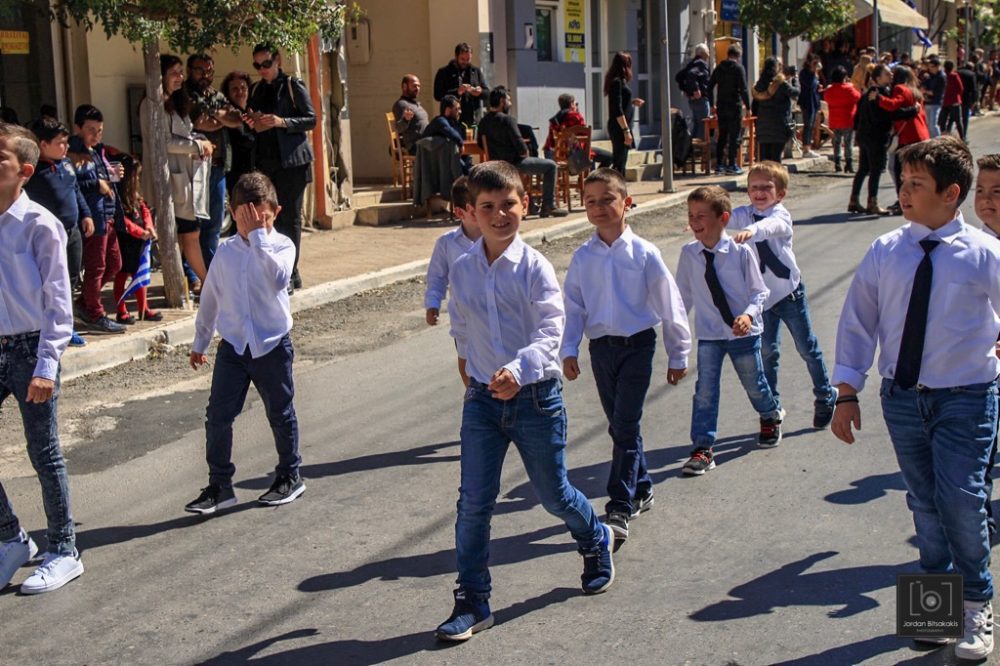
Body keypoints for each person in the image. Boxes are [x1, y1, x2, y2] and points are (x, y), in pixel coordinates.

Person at [832, 136, 999, 661]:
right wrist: (846, 392)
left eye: (917, 184)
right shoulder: (886, 250)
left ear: (951, 194)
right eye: (902, 182)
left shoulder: (984, 253)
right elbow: (859, 321)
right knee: (924, 502)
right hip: (903, 398)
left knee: (962, 499)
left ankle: (977, 603)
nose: (903, 193)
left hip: (967, 397)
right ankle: (933, 612)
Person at [436, 161, 614, 642]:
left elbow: (552, 330)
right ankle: (472, 600)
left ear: (525, 205)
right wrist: (470, 374)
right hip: (482, 401)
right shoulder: (462, 268)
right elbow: (461, 326)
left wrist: (519, 370)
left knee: (554, 495)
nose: (499, 215)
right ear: (471, 212)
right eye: (487, 207)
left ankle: (594, 536)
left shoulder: (534, 267)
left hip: (535, 398)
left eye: (507, 205)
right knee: (474, 503)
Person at [561, 168, 691, 543]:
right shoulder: (583, 257)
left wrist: (679, 353)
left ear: (627, 203)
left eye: (607, 200)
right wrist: (568, 349)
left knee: (626, 425)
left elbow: (670, 304)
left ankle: (619, 504)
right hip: (602, 349)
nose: (599, 208)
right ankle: (643, 486)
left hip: (637, 346)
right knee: (619, 426)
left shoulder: (644, 253)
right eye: (590, 201)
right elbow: (574, 307)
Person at [185, 171, 303, 514]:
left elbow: (279, 279)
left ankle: (289, 475)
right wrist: (201, 340)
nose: (250, 226)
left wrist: (260, 237)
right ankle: (220, 485)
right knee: (218, 416)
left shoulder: (282, 246)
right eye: (243, 218)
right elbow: (211, 297)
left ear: (275, 213)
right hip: (234, 347)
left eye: (260, 218)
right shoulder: (226, 252)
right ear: (232, 214)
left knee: (280, 413)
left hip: (271, 345)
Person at [0, 122, 83, 594]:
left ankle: (64, 550)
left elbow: (58, 303)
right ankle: (11, 537)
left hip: (31, 348)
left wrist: (46, 365)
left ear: (24, 171)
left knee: (43, 452)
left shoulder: (40, 225)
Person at [675, 186, 782, 475]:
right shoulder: (689, 254)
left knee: (754, 384)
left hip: (743, 334)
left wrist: (748, 315)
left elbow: (759, 292)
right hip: (710, 334)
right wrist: (674, 331)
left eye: (701, 216)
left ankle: (770, 414)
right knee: (705, 391)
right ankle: (703, 447)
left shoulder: (741, 253)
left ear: (722, 218)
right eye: (691, 215)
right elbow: (681, 298)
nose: (694, 221)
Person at [727, 162, 836, 429]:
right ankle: (772, 409)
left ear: (781, 193)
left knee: (807, 347)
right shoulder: (745, 214)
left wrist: (752, 231)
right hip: (761, 299)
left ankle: (825, 395)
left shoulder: (780, 215)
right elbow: (723, 217)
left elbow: (771, 227)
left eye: (767, 187)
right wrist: (703, 220)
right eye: (754, 187)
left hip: (789, 294)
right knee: (767, 353)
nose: (759, 192)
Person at [247, 43, 316, 293]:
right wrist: (252, 121)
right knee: (269, 218)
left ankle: (291, 272)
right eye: (257, 65)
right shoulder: (256, 89)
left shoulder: (292, 85)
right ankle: (275, 270)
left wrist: (282, 122)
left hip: (292, 163)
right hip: (266, 162)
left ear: (277, 60)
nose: (262, 69)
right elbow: (253, 120)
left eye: (266, 64)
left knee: (290, 218)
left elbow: (311, 119)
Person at [140, 55, 212, 293]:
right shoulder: (152, 105)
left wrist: (199, 143)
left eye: (181, 72)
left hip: (184, 180)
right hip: (170, 183)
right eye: (174, 73)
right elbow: (163, 142)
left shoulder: (176, 102)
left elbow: (184, 136)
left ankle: (197, 282)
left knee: (188, 235)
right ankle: (205, 284)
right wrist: (198, 146)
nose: (180, 77)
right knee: (183, 235)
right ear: (160, 76)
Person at [24, 116, 93, 347]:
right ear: (43, 144)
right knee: (48, 283)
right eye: (60, 143)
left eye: (66, 141)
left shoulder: (66, 164)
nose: (66, 147)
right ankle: (45, 328)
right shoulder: (32, 173)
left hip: (72, 232)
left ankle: (66, 327)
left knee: (70, 279)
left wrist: (86, 214)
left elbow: (76, 190)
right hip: (47, 236)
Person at [68, 104, 127, 333]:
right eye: (91, 129)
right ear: (78, 128)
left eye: (99, 130)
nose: (96, 134)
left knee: (114, 264)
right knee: (96, 267)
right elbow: (74, 182)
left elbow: (101, 177)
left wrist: (113, 175)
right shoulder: (73, 151)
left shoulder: (97, 150)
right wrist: (97, 183)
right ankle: (94, 313)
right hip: (93, 216)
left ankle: (85, 302)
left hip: (108, 214)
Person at [186, 54, 244, 268]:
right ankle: (192, 272)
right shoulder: (184, 94)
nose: (205, 75)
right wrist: (221, 118)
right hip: (195, 167)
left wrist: (213, 113)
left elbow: (236, 119)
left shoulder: (215, 95)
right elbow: (201, 123)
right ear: (190, 70)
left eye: (209, 71)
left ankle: (210, 269)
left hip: (218, 166)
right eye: (200, 70)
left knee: (214, 223)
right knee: (193, 224)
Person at [477, 86, 568, 217]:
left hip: (494, 165)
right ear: (502, 101)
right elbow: (521, 148)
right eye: (508, 100)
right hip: (514, 164)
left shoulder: (483, 122)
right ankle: (549, 205)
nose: (510, 103)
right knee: (551, 166)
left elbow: (480, 144)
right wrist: (524, 152)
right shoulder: (508, 120)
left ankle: (534, 205)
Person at [424, 176, 481, 385]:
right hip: (463, 322)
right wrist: (432, 303)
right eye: (479, 209)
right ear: (460, 213)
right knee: (467, 370)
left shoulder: (497, 240)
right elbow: (437, 277)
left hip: (497, 321)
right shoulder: (447, 244)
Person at [849, 64, 918, 216]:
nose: (891, 75)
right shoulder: (879, 94)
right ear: (878, 78)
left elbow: (857, 116)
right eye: (887, 74)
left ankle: (854, 200)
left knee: (863, 169)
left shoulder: (868, 93)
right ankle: (872, 202)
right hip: (876, 137)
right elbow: (889, 114)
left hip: (864, 136)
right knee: (876, 169)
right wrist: (912, 111)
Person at [974, 153, 1000, 537]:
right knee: (983, 448)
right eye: (980, 190)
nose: (986, 199)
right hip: (984, 371)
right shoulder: (971, 246)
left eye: (997, 191)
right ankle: (981, 518)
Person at [112, 157, 161, 323]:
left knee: (140, 274)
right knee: (122, 275)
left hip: (140, 241)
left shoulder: (136, 196)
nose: (137, 179)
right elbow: (122, 220)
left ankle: (143, 308)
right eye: (135, 176)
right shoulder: (118, 196)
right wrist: (139, 232)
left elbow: (145, 211)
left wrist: (149, 227)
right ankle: (121, 310)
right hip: (125, 240)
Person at [877, 65, 930, 216]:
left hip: (908, 135)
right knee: (917, 170)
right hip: (921, 133)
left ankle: (904, 200)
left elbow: (893, 105)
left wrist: (879, 98)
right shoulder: (915, 91)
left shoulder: (900, 89)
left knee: (898, 170)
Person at [708, 42, 750, 175]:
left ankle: (719, 165)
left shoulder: (719, 68)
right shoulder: (738, 68)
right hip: (734, 105)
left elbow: (709, 87)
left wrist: (711, 104)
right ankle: (732, 164)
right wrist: (748, 106)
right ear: (738, 55)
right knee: (734, 136)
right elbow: (743, 89)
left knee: (722, 135)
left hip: (721, 105)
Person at [541, 93, 612, 169]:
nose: (576, 106)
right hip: (572, 155)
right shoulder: (575, 116)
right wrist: (577, 111)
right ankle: (596, 174)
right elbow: (584, 137)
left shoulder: (555, 120)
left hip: (554, 154)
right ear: (571, 104)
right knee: (609, 157)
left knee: (588, 153)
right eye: (576, 104)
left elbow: (552, 141)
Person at [752, 57, 799, 163]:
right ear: (775, 67)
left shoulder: (759, 85)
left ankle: (764, 174)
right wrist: (795, 80)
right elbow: (795, 92)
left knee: (765, 159)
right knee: (776, 158)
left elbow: (755, 105)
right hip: (779, 126)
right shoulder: (780, 83)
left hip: (763, 127)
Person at [604, 51, 644, 176]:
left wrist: (631, 102)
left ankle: (618, 183)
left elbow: (619, 103)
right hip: (620, 127)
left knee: (621, 161)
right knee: (619, 162)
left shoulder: (619, 81)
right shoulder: (617, 82)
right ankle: (616, 185)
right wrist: (626, 131)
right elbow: (617, 108)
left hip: (621, 126)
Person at [433, 43, 489, 127]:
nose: (465, 62)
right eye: (462, 59)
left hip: (472, 119)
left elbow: (487, 93)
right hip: (452, 120)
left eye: (468, 59)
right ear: (456, 56)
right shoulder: (444, 72)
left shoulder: (475, 72)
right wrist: (457, 92)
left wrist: (479, 92)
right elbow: (437, 95)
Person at [220, 71, 256, 196]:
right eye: (234, 89)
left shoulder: (251, 111)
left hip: (253, 172)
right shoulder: (228, 114)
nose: (240, 92)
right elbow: (244, 140)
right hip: (235, 174)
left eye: (243, 88)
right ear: (228, 93)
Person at [822, 66, 861, 173]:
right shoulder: (849, 89)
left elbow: (825, 97)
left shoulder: (829, 90)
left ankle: (837, 162)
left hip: (835, 120)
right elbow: (858, 96)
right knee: (848, 143)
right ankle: (848, 163)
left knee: (836, 142)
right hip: (848, 120)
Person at [676, 43, 712, 140]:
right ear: (702, 53)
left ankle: (693, 146)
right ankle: (700, 147)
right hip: (701, 100)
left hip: (693, 100)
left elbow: (679, 77)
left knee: (697, 124)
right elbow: (691, 75)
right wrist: (695, 90)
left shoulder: (692, 63)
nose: (709, 55)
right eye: (707, 52)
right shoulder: (700, 63)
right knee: (703, 125)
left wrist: (686, 90)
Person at [392, 74, 430, 155]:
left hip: (427, 142)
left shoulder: (415, 104)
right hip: (415, 146)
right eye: (414, 86)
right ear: (404, 86)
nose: (417, 88)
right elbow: (399, 128)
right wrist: (405, 119)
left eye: (419, 86)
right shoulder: (401, 104)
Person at [798, 54, 822, 159]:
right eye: (814, 63)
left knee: (811, 125)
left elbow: (814, 87)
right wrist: (813, 71)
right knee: (808, 125)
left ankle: (808, 147)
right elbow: (809, 85)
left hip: (814, 101)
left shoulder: (814, 74)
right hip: (807, 102)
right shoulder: (804, 73)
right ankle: (806, 149)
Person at [920, 56, 945, 138]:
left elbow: (937, 92)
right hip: (927, 102)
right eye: (929, 66)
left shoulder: (941, 77)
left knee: (933, 125)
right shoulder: (929, 75)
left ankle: (938, 141)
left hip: (935, 103)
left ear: (937, 66)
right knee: (927, 124)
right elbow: (924, 84)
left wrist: (925, 91)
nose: (930, 68)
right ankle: (931, 140)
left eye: (932, 67)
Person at [939, 60, 965, 139]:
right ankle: (962, 138)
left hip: (945, 101)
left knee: (942, 121)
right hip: (954, 101)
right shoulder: (954, 75)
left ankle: (944, 136)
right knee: (958, 121)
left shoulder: (942, 75)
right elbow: (960, 88)